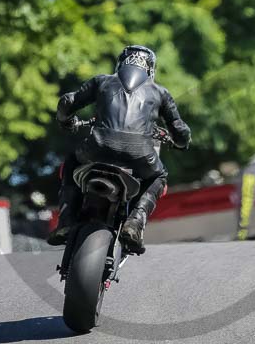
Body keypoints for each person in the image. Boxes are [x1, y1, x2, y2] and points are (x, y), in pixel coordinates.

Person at [47, 45, 191, 252]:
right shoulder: (160, 93)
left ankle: (66, 220)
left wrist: (66, 121)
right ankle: (135, 222)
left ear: (120, 63)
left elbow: (67, 102)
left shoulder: (102, 81)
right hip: (140, 154)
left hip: (97, 147)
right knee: (159, 177)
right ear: (151, 69)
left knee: (71, 162)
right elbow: (179, 130)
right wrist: (181, 142)